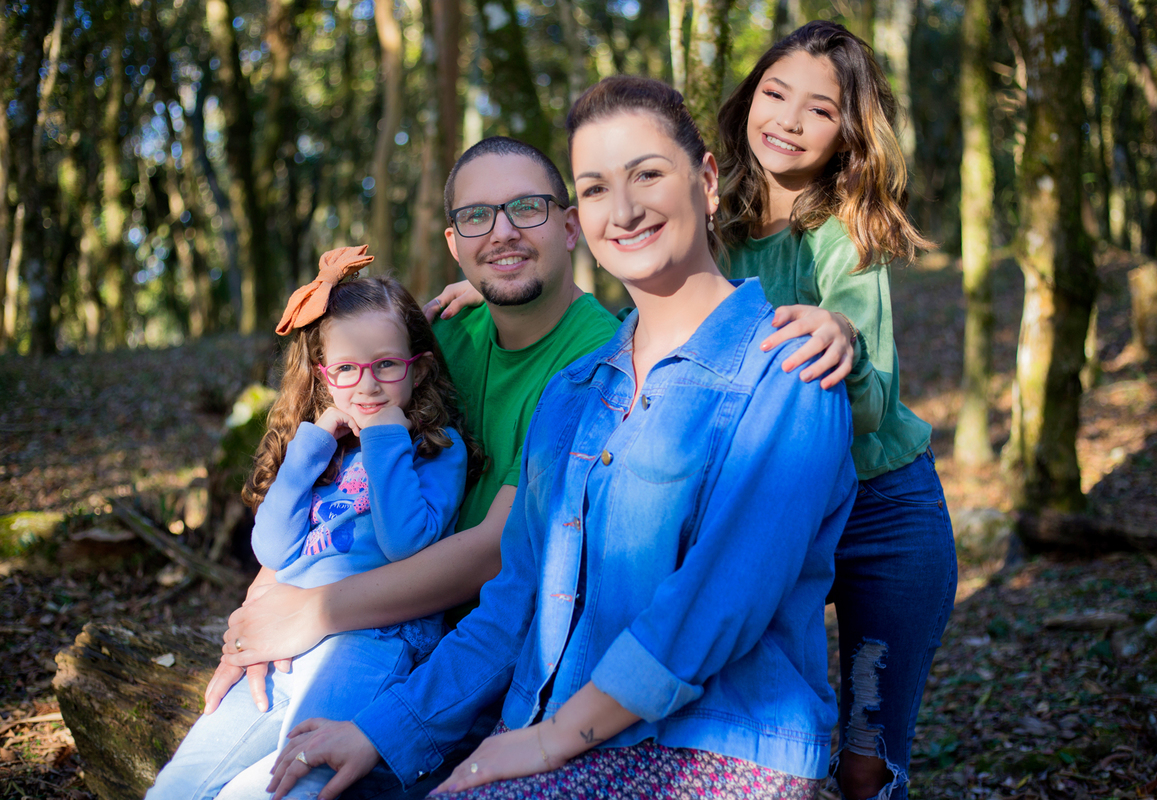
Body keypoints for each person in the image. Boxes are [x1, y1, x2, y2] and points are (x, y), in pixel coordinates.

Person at [261, 75, 857, 800]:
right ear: (581, 217)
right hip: (544, 731)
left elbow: (713, 607)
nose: (627, 208)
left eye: (648, 174)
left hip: (715, 747)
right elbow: (515, 602)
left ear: (705, 182)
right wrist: (385, 729)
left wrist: (546, 742)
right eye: (599, 188)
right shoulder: (575, 393)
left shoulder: (788, 368)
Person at [205, 138, 620, 796]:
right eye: (479, 216)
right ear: (454, 242)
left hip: (488, 661)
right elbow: (339, 474)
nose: (503, 231)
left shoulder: (599, 361)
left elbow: (496, 553)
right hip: (371, 620)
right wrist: (261, 609)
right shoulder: (444, 336)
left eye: (527, 208)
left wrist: (313, 610)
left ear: (571, 227)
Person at [716, 21, 957, 800]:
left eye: (818, 110)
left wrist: (842, 337)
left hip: (885, 511)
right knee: (760, 738)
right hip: (772, 508)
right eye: (774, 93)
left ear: (848, 134)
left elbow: (870, 403)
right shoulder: (708, 226)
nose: (787, 119)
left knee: (862, 757)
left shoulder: (843, 233)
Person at [146, 248, 471, 800]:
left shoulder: (435, 451)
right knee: (179, 784)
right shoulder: (321, 452)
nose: (367, 386)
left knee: (289, 782)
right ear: (323, 378)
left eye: (387, 366)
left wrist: (385, 437)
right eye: (346, 369)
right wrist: (311, 447)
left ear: (418, 369)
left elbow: (405, 545)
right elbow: (272, 547)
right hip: (282, 645)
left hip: (370, 641)